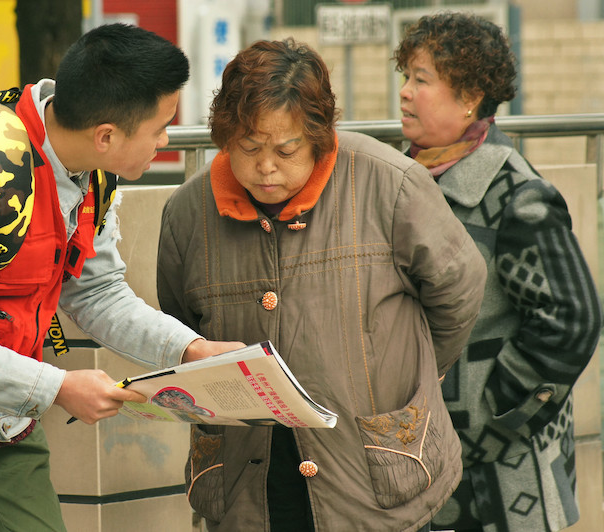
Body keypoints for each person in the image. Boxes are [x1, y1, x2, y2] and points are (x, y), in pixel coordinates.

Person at [0, 23, 242, 531]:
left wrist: (189, 350)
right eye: (160, 128)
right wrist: (58, 387)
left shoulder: (93, 171)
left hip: (5, 406)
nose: (165, 140)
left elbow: (97, 292)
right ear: (107, 136)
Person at [156, 38, 487, 532]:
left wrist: (418, 369)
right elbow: (178, 325)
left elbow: (459, 288)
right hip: (248, 476)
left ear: (318, 135)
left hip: (374, 468)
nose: (266, 167)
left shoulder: (390, 184)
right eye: (248, 148)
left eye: (286, 150)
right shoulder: (187, 212)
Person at [394, 12, 603, 532]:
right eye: (406, 77)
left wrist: (494, 419)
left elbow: (570, 322)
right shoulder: (403, 179)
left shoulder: (517, 197)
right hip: (420, 457)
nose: (404, 93)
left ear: (469, 97)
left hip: (505, 481)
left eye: (421, 80)